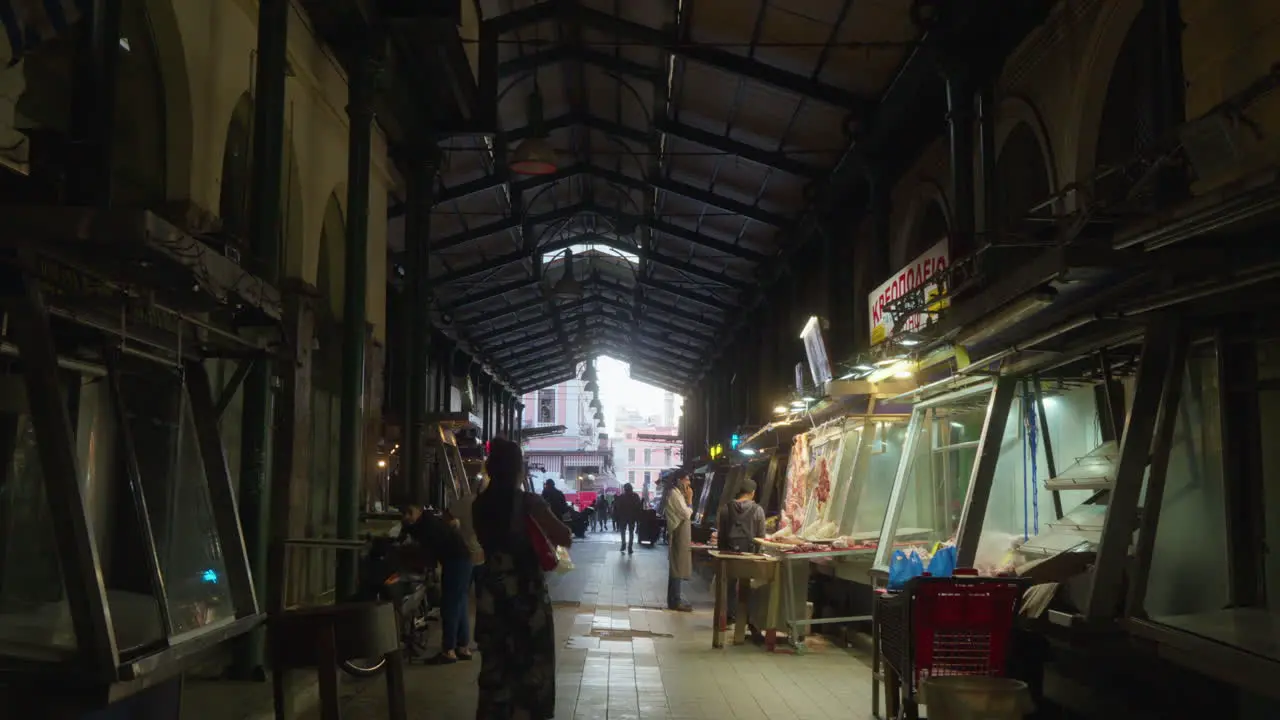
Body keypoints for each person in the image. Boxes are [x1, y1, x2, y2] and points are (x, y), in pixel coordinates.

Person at [473, 438, 571, 720]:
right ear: (518, 469)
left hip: (491, 594)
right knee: (532, 666)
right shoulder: (529, 502)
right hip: (526, 596)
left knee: (495, 666)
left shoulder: (480, 505)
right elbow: (563, 536)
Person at [400, 502, 473, 663]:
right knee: (459, 604)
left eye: (409, 512)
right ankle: (462, 647)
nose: (406, 517)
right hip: (462, 560)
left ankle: (449, 650)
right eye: (403, 513)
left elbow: (427, 552)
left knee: (450, 605)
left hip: (455, 561)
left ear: (418, 511)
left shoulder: (428, 526)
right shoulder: (427, 521)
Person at [718, 479, 766, 626]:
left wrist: (722, 552)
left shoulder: (726, 509)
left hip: (729, 553)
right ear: (752, 493)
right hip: (749, 554)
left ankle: (729, 616)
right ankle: (746, 617)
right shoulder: (758, 510)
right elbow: (761, 536)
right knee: (747, 585)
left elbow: (722, 535)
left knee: (729, 585)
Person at [664, 474, 694, 612]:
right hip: (678, 532)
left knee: (678, 565)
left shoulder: (677, 494)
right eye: (686, 480)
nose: (688, 483)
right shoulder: (675, 495)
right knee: (677, 566)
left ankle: (674, 599)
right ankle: (675, 600)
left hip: (680, 531)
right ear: (680, 480)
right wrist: (690, 499)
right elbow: (686, 514)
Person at [614, 483, 643, 554]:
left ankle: (623, 545)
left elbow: (618, 507)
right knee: (631, 532)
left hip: (623, 517)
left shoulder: (622, 496)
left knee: (623, 532)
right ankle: (630, 547)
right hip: (632, 517)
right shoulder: (635, 496)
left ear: (625, 489)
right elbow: (638, 507)